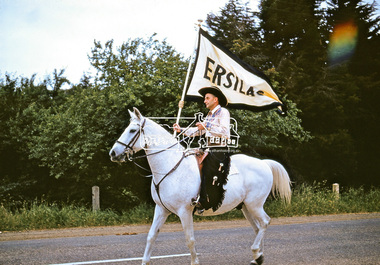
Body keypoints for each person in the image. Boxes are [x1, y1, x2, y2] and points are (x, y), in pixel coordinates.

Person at [173, 86, 231, 213]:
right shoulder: (209, 115)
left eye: (207, 98)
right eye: (205, 99)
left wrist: (207, 125)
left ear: (215, 99)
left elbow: (225, 131)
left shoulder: (223, 112)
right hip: (209, 148)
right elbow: (198, 131)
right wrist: (181, 130)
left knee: (208, 168)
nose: (205, 101)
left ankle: (205, 200)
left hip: (219, 149)